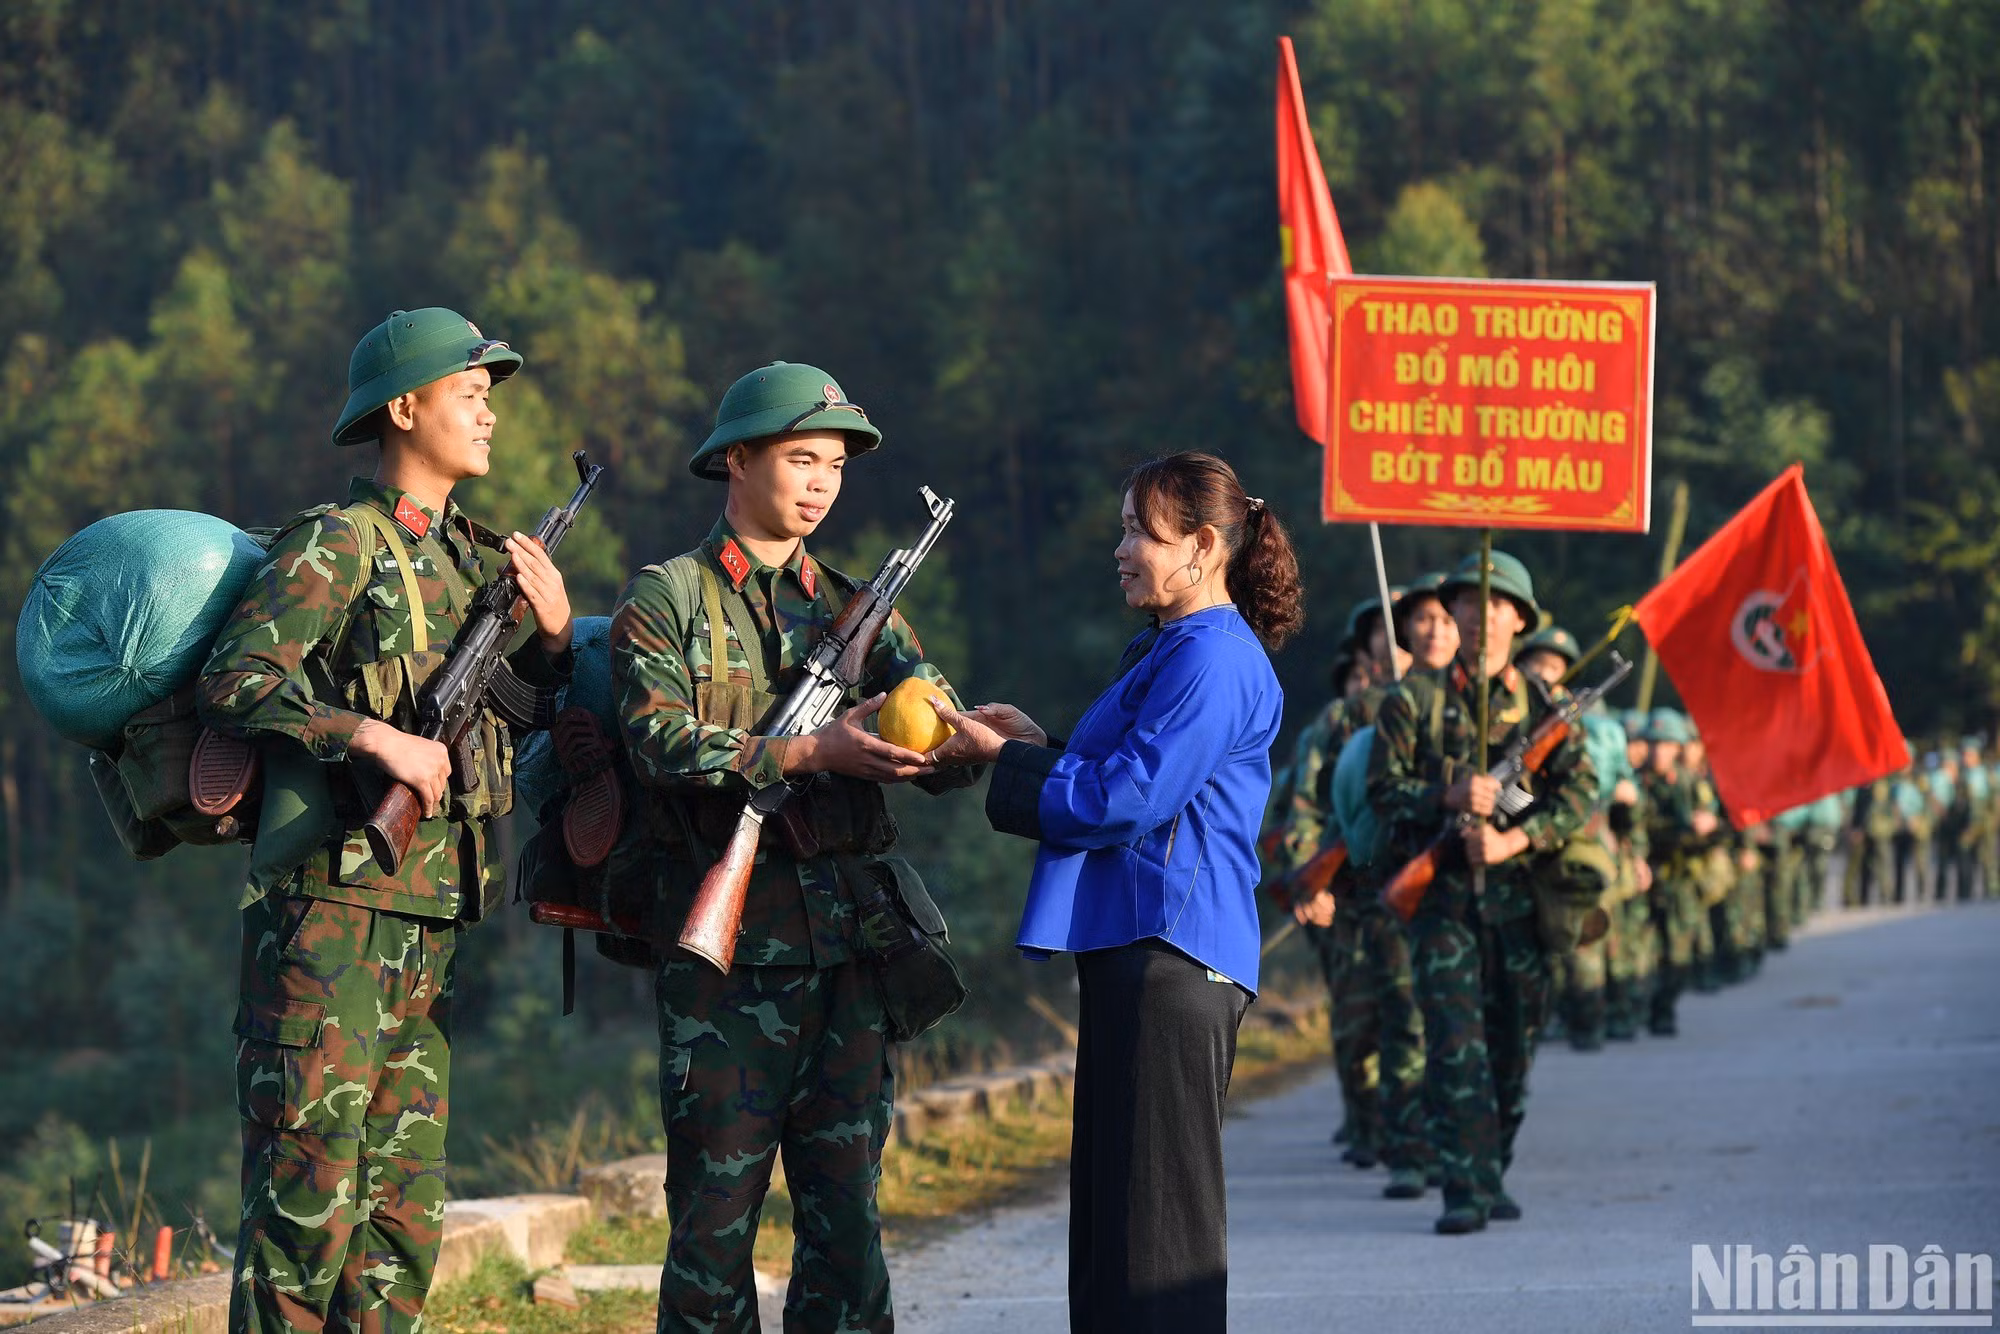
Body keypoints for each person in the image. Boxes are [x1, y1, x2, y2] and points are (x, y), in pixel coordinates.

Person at [199, 308, 573, 1332]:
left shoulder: (478, 559)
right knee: (305, 1206)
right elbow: (237, 681)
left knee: (399, 1216)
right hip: (326, 916)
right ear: (405, 407)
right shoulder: (339, 543)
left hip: (425, 917)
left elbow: (536, 715)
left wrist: (548, 639)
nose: (488, 416)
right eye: (470, 395)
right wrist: (373, 736)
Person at [610, 361, 977, 1331]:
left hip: (847, 962)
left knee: (846, 1223)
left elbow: (939, 729)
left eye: (835, 465)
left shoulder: (860, 607)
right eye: (799, 457)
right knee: (713, 1226)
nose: (820, 481)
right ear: (736, 458)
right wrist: (806, 746)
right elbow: (654, 740)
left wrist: (973, 738)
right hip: (725, 968)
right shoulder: (670, 598)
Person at [930, 451, 1301, 1332]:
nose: (1123, 548)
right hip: (1140, 952)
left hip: (1173, 956)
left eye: (1142, 530)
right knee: (1118, 1219)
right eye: (1126, 528)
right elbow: (1126, 775)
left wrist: (1007, 764)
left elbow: (1130, 798)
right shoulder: (1176, 649)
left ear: (1203, 546)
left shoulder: (1213, 658)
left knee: (1156, 1231)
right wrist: (1036, 746)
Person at [1367, 550, 1597, 1235]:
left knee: (1511, 1049)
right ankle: (1464, 1187)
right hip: (1442, 904)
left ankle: (1490, 1164)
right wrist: (1446, 794)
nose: (1481, 615)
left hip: (1521, 902)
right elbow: (1382, 792)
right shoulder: (1412, 701)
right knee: (1454, 1042)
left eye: (1497, 604)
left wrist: (1515, 838)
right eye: (1469, 602)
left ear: (1519, 619)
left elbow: (1578, 795)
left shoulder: (1546, 709)